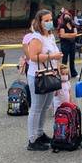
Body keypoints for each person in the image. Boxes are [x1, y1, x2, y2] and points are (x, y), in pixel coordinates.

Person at [26, 9, 63, 151]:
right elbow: (33, 57)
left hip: (49, 73)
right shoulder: (36, 37)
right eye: (46, 20)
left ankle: (40, 133)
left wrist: (57, 64)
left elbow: (53, 53)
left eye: (50, 19)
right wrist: (52, 57)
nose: (49, 22)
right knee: (36, 107)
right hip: (37, 75)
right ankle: (32, 139)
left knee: (46, 106)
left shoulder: (50, 36)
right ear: (39, 22)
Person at [58, 11, 79, 78]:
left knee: (72, 59)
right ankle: (64, 74)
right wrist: (71, 35)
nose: (67, 17)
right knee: (65, 59)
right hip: (65, 44)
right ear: (63, 17)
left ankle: (74, 73)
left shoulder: (73, 24)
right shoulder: (62, 25)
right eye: (65, 15)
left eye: (68, 15)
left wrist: (68, 35)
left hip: (72, 44)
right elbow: (62, 35)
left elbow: (76, 34)